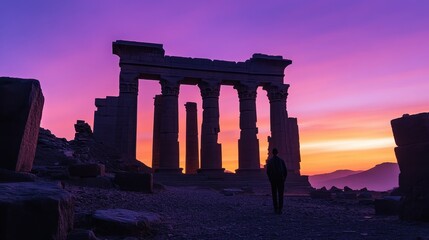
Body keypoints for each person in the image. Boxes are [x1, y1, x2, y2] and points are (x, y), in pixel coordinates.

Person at [266, 148, 287, 214]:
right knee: (280, 194)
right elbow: (285, 171)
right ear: (277, 153)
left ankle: (276, 209)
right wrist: (284, 179)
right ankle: (280, 209)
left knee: (274, 194)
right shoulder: (281, 161)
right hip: (280, 180)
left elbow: (268, 172)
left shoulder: (270, 161)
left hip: (273, 180)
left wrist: (270, 179)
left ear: (272, 153)